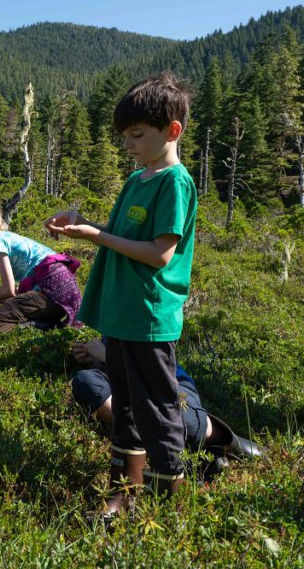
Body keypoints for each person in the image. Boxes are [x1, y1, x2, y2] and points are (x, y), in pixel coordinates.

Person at [45, 71, 196, 515]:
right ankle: (124, 495)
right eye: (124, 136)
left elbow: (159, 254)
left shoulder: (174, 182)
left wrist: (95, 236)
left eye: (136, 135)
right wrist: (83, 223)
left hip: (149, 316)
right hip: (123, 313)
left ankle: (166, 504)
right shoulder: (138, 179)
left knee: (157, 407)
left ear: (172, 131)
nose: (127, 145)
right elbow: (120, 233)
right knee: (127, 403)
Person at [70, 337, 262, 478]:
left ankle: (224, 440)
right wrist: (90, 355)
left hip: (169, 383)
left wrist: (105, 355)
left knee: (181, 418)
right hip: (122, 385)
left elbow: (151, 369)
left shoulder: (151, 310)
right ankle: (182, 455)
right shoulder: (113, 303)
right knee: (85, 382)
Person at [0, 204, 82, 334]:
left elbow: (9, 291)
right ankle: (44, 324)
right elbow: (17, 293)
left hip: (48, 295)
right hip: (62, 300)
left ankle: (44, 326)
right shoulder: (9, 237)